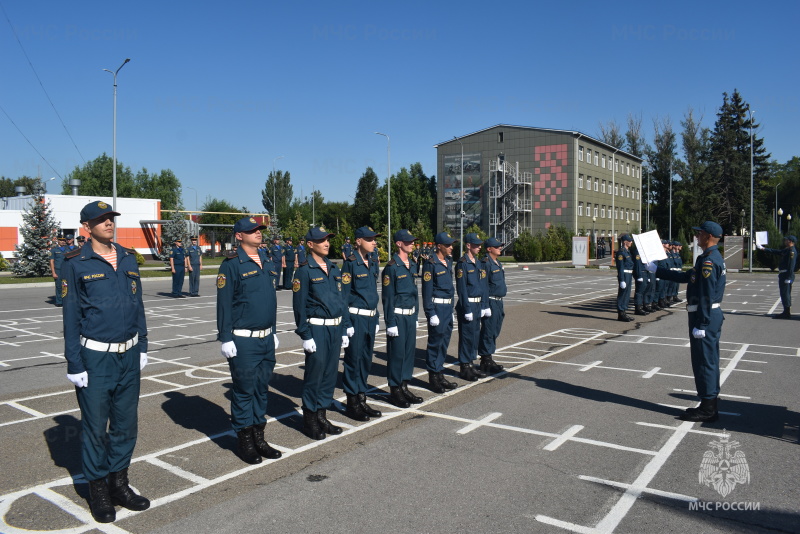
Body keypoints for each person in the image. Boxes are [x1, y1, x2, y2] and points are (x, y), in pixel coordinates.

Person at [61, 201, 150, 523]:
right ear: (87, 227)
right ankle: (98, 491)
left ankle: (120, 484)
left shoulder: (127, 258)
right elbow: (70, 316)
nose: (108, 223)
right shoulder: (76, 262)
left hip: (128, 355)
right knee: (96, 429)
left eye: (110, 218)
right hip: (95, 358)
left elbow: (137, 305)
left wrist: (143, 344)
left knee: (126, 425)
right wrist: (75, 363)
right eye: (101, 220)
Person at [216, 217, 282, 464]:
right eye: (252, 230)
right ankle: (245, 441)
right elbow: (223, 303)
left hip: (265, 338)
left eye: (259, 230)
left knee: (261, 390)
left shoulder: (266, 260)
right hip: (243, 340)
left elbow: (270, 302)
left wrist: (273, 330)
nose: (258, 233)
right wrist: (225, 337)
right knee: (244, 391)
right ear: (239, 236)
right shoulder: (231, 265)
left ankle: (259, 437)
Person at [647, 221, 726, 422]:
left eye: (699, 234)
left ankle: (709, 408)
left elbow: (707, 295)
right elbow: (685, 277)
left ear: (708, 236)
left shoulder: (709, 261)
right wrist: (657, 269)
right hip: (705, 315)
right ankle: (708, 404)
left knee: (705, 362)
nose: (697, 237)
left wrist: (703, 323)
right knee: (707, 361)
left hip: (704, 316)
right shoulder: (709, 258)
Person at [292, 226, 350, 440]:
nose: (327, 243)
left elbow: (342, 302)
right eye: (322, 240)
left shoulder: (334, 269)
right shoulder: (305, 270)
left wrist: (344, 328)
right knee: (315, 374)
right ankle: (309, 419)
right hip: (317, 327)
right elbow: (299, 306)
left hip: (335, 327)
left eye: (328, 239)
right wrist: (305, 334)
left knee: (329, 374)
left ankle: (322, 414)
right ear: (310, 244)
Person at [340, 226, 383, 420]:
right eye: (370, 239)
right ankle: (352, 403)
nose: (374, 242)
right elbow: (344, 295)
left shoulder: (372, 261)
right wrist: (346, 324)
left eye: (374, 239)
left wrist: (376, 316)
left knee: (366, 360)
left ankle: (362, 398)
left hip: (369, 316)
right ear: (358, 241)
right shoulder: (350, 263)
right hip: (356, 317)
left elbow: (373, 292)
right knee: (353, 360)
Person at [381, 229, 422, 407]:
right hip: (397, 316)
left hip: (409, 315)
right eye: (408, 241)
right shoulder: (392, 267)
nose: (412, 244)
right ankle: (395, 389)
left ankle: (405, 385)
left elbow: (414, 293)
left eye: (412, 241)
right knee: (397, 355)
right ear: (399, 243)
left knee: (408, 353)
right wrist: (390, 323)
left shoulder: (412, 265)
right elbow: (388, 298)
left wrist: (416, 314)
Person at [421, 232, 459, 393]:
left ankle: (439, 372)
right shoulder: (431, 264)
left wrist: (450, 309)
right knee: (435, 344)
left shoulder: (448, 261)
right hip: (437, 308)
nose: (451, 247)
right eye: (448, 245)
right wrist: (431, 313)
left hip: (447, 307)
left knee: (444, 343)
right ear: (439, 246)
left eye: (452, 244)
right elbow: (427, 291)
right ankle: (433, 377)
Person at [456, 233, 489, 381]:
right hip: (468, 304)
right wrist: (467, 308)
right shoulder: (462, 263)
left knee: (475, 336)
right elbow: (461, 289)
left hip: (477, 304)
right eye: (476, 244)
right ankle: (464, 367)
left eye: (480, 244)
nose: (479, 247)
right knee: (466, 337)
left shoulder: (478, 263)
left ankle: (471, 364)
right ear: (468, 245)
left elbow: (482, 286)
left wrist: (483, 305)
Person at [478, 237, 506, 373]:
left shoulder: (497, 262)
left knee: (495, 330)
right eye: (497, 246)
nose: (499, 248)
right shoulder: (486, 263)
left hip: (499, 301)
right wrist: (485, 305)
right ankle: (486, 359)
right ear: (489, 249)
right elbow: (483, 285)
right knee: (488, 331)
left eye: (500, 246)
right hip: (491, 300)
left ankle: (488, 355)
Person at [758, 235, 796, 319]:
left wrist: (789, 277)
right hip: (783, 274)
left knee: (785, 294)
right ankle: (786, 311)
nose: (784, 241)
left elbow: (791, 265)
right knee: (784, 293)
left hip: (786, 275)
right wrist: (763, 248)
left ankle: (786, 313)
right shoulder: (787, 250)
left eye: (786, 240)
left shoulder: (791, 251)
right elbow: (776, 251)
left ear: (790, 241)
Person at [50, 234, 75, 307]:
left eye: (64, 240)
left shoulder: (68, 249)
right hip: (58, 270)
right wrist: (53, 272)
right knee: (59, 286)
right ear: (58, 241)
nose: (62, 242)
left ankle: (67, 300)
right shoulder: (54, 250)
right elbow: (52, 261)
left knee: (68, 286)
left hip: (67, 270)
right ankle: (59, 301)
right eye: (60, 240)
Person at [615, 234, 635, 321]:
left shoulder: (628, 252)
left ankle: (624, 312)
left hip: (629, 275)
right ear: (624, 242)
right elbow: (620, 267)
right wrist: (622, 279)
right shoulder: (621, 252)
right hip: (624, 275)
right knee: (622, 294)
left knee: (627, 294)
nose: (631, 242)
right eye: (629, 241)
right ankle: (621, 313)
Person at [632, 246, 650, 316]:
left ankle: (641, 306)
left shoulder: (643, 252)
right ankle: (638, 308)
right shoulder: (637, 252)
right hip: (641, 273)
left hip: (645, 272)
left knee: (643, 291)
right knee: (639, 292)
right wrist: (639, 275)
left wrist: (648, 275)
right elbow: (637, 264)